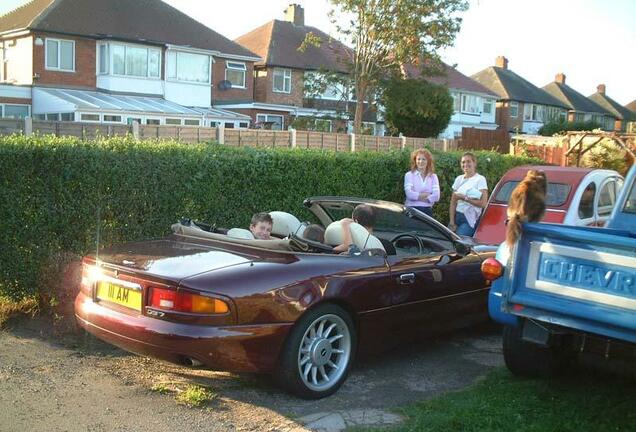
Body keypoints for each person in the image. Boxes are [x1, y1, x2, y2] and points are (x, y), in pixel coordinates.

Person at [497, 170, 547, 264]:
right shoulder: (536, 191)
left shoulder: (519, 187)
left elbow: (512, 209)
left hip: (514, 217)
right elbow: (538, 208)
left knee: (511, 251)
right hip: (526, 219)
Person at [448, 152, 488, 236]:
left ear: (474, 163)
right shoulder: (459, 179)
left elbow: (483, 203)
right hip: (457, 217)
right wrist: (452, 221)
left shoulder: (480, 179)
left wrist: (465, 198)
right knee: (448, 241)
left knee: (459, 242)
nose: (465, 164)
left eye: (468, 161)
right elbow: (453, 202)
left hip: (469, 219)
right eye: (463, 162)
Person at [404, 149, 440, 217]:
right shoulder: (409, 175)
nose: (421, 161)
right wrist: (427, 195)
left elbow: (436, 196)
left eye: (424, 159)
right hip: (412, 209)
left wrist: (417, 196)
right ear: (415, 160)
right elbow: (409, 195)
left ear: (428, 161)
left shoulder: (433, 176)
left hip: (427, 210)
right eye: (418, 159)